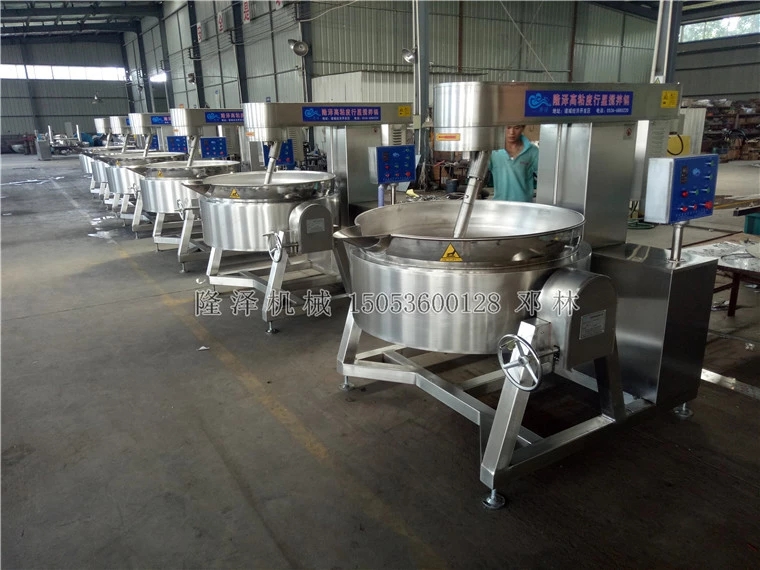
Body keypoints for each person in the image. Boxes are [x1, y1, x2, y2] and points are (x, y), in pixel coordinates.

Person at [488, 125, 539, 202]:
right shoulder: (493, 150)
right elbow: (481, 176)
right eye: (508, 127)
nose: (511, 132)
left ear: (523, 128)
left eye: (516, 128)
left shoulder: (532, 151)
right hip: (500, 204)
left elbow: (545, 178)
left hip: (524, 204)